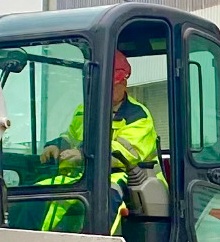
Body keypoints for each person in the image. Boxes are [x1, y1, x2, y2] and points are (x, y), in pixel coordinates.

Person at [34, 50, 159, 230]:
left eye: (111, 85)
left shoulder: (138, 116)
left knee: (102, 197)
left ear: (123, 83)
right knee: (36, 195)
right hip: (84, 173)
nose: (105, 91)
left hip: (128, 176)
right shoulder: (84, 110)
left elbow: (124, 153)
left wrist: (83, 154)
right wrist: (55, 145)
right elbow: (70, 136)